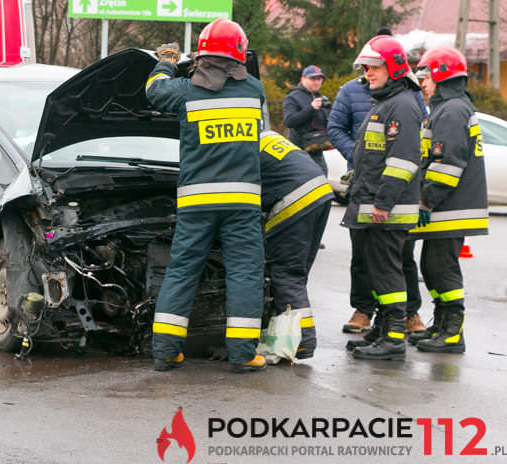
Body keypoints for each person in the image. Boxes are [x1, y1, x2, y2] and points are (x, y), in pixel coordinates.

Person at [147, 19, 266, 373]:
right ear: (239, 53)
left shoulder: (185, 91)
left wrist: (166, 60)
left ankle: (166, 352)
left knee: (183, 270)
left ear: (202, 54)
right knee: (244, 272)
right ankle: (244, 355)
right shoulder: (254, 91)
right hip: (243, 203)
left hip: (197, 203)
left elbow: (154, 90)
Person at [328, 31, 428, 337]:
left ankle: (394, 331)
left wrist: (383, 202)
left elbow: (403, 161)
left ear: (394, 68)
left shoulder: (402, 105)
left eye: (374, 66)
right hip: (371, 197)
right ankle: (383, 327)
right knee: (374, 266)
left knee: (390, 269)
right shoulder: (383, 99)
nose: (367, 72)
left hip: (386, 204)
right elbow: (342, 132)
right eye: (365, 67)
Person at [408, 46, 488, 353]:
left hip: (451, 206)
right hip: (450, 205)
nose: (422, 82)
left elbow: (446, 164)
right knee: (432, 266)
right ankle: (442, 325)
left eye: (425, 75)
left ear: (441, 75)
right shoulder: (448, 108)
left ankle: (453, 332)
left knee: (441, 268)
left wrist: (426, 201)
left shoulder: (452, 110)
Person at [259, 130, 335, 359]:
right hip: (319, 191)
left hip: (295, 197)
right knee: (297, 273)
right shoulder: (266, 136)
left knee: (285, 271)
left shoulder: (238, 148)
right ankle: (295, 335)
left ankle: (302, 341)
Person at [283, 65, 330, 175]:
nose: (317, 82)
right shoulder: (292, 98)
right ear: (303, 79)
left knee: (323, 180)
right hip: (300, 150)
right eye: (313, 79)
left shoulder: (321, 98)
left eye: (319, 79)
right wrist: (311, 108)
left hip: (317, 150)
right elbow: (289, 121)